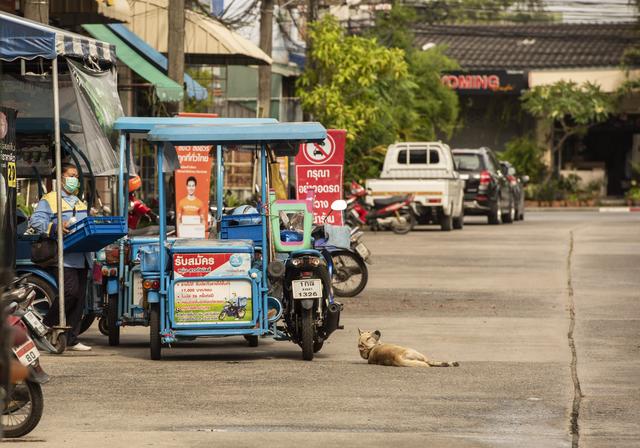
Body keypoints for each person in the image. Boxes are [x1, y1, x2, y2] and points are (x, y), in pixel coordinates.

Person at [29, 162, 92, 351]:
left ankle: (72, 338)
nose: (74, 179)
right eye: (70, 175)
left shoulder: (80, 202)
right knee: (69, 292)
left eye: (75, 176)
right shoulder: (50, 199)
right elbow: (36, 222)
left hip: (83, 256)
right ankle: (44, 326)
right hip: (64, 256)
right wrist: (56, 227)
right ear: (62, 178)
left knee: (80, 298)